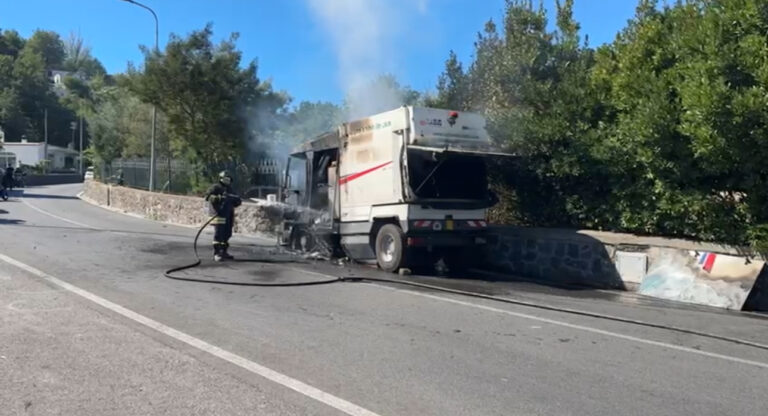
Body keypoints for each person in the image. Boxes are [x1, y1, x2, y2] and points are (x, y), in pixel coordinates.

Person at [205, 171, 242, 261]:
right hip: (218, 215)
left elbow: (236, 200)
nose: (227, 181)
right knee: (219, 234)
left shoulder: (230, 189)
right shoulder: (216, 187)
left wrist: (237, 201)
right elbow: (208, 197)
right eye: (225, 179)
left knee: (227, 234)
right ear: (221, 179)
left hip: (228, 215)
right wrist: (218, 198)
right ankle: (217, 253)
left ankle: (224, 252)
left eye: (228, 179)